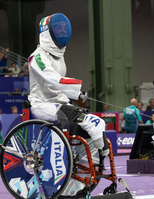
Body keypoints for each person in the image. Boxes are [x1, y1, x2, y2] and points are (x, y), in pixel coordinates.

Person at [28, 13, 109, 157]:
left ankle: (93, 167)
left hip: (60, 104)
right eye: (58, 28)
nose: (63, 31)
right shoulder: (37, 57)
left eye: (65, 28)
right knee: (92, 124)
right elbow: (55, 79)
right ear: (48, 32)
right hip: (43, 105)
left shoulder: (59, 56)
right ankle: (102, 153)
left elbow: (58, 85)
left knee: (97, 123)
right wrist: (77, 90)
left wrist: (75, 95)